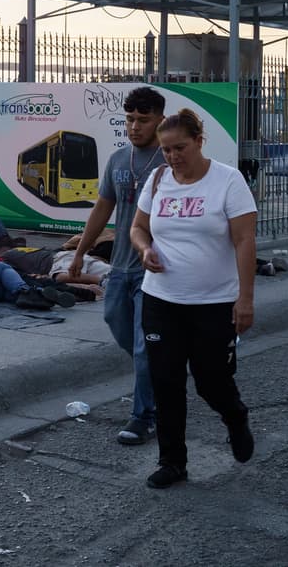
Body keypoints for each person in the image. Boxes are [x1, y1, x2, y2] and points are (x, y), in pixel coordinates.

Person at [129, 108, 258, 489]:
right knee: (166, 382)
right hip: (161, 300)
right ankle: (172, 461)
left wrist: (245, 299)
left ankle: (234, 417)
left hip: (213, 303)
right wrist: (143, 249)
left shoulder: (227, 181)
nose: (172, 157)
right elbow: (138, 227)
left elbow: (244, 240)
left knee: (211, 380)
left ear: (199, 141)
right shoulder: (157, 180)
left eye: (180, 148)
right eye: (166, 150)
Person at [66, 85, 165, 446]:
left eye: (144, 119)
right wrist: (81, 250)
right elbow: (102, 208)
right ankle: (156, 374)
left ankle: (144, 416)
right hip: (120, 265)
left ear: (160, 120)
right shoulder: (118, 160)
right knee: (117, 324)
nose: (135, 126)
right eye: (130, 119)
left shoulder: (169, 163)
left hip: (154, 270)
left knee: (143, 347)